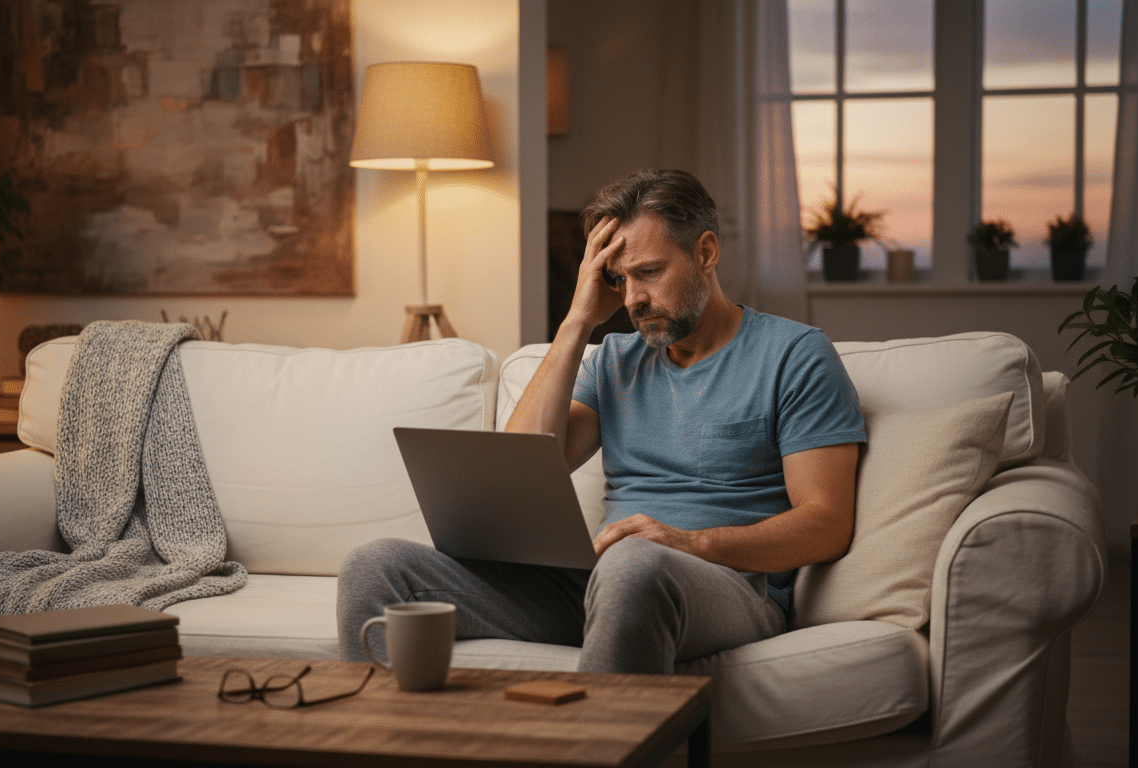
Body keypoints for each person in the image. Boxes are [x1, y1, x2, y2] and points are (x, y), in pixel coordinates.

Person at [337, 169, 866, 674]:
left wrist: (690, 543)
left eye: (650, 272)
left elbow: (826, 523)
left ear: (705, 252)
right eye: (619, 279)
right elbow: (519, 479)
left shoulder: (794, 355)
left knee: (633, 564)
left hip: (728, 585)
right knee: (375, 568)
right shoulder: (615, 359)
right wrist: (577, 322)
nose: (633, 298)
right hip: (602, 582)